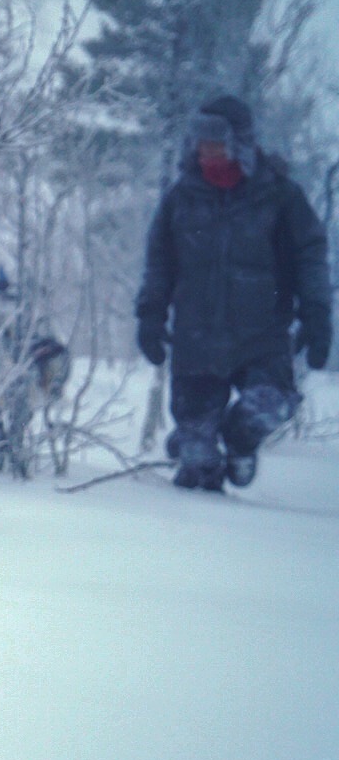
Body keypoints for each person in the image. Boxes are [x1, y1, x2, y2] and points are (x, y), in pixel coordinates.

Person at [137, 95, 331, 491]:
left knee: (270, 407)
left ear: (240, 143)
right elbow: (159, 263)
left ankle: (239, 445)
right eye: (201, 142)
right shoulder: (181, 198)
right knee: (196, 464)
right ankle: (195, 449)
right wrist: (150, 316)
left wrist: (317, 313)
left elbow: (310, 257)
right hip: (197, 340)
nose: (207, 152)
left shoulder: (280, 196)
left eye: (217, 143)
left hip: (261, 338)